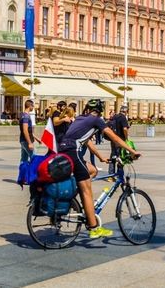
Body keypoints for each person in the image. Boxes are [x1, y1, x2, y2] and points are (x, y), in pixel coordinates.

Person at [58, 99, 139, 240]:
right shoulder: (96, 120)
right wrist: (132, 151)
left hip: (64, 151)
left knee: (92, 170)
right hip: (73, 152)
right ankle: (94, 228)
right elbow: (114, 137)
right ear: (100, 111)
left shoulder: (81, 118)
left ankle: (76, 199)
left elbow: (87, 141)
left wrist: (100, 157)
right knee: (87, 191)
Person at [108, 105, 130, 172]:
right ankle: (120, 173)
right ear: (126, 111)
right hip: (120, 139)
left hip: (113, 138)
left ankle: (111, 173)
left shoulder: (115, 116)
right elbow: (125, 129)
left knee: (113, 155)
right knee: (120, 156)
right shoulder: (123, 117)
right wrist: (126, 138)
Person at [18, 99, 35, 166]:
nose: (33, 107)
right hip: (26, 140)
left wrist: (36, 138)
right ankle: (33, 171)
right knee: (33, 157)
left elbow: (28, 130)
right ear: (30, 106)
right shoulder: (26, 116)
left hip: (23, 139)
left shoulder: (23, 115)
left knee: (24, 158)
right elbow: (25, 130)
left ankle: (22, 171)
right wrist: (30, 143)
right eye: (32, 106)